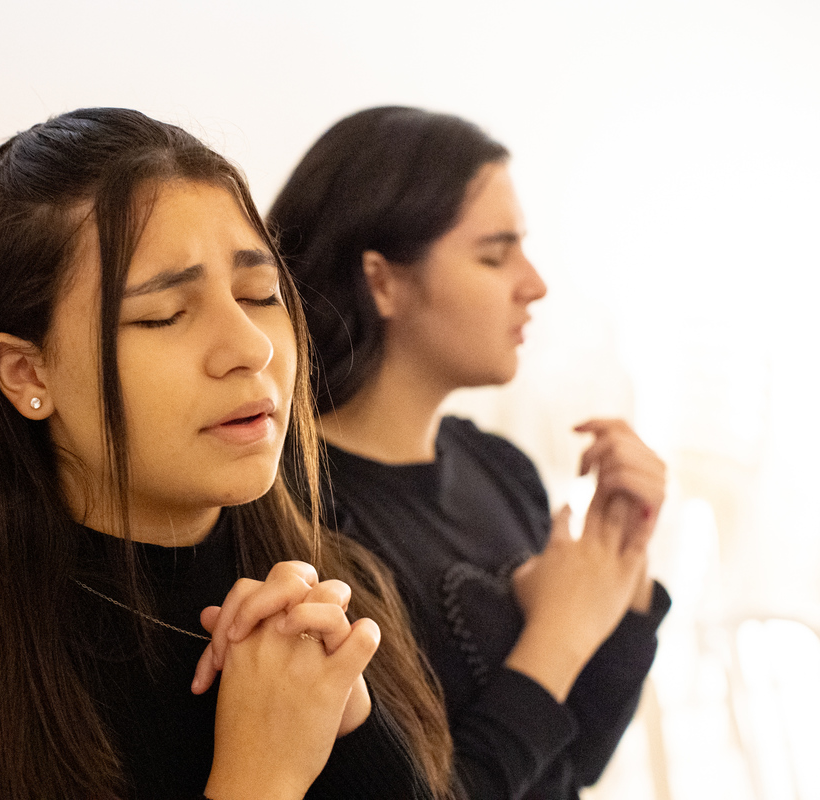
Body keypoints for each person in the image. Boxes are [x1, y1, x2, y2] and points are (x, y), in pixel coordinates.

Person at [0, 108, 458, 800]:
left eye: (260, 294)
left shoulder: (338, 595)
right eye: (165, 315)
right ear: (27, 374)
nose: (250, 347)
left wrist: (354, 735)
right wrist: (260, 777)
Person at [267, 106, 671, 799]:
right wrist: (558, 635)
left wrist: (620, 565)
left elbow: (572, 765)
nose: (535, 283)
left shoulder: (499, 466)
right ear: (384, 281)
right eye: (494, 254)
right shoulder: (296, 513)